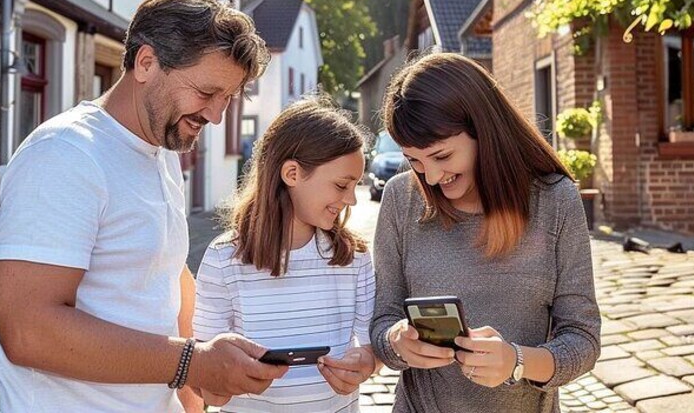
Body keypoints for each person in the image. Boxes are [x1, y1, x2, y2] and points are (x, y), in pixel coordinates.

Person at [0, 0, 288, 412]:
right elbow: (27, 329)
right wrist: (193, 363)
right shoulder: (64, 154)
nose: (216, 115)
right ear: (146, 62)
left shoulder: (160, 151)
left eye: (227, 98)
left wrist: (195, 394)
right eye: (206, 93)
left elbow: (166, 276)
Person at [370, 53, 601, 412]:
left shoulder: (555, 200)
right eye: (415, 161)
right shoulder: (401, 199)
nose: (430, 177)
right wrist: (397, 341)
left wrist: (516, 361)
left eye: (442, 156)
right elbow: (382, 322)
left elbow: (582, 339)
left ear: (484, 131)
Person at [194, 96, 379, 412]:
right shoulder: (223, 259)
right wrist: (215, 385)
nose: (352, 200)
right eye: (341, 185)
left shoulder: (354, 257)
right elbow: (206, 378)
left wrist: (366, 363)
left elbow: (372, 350)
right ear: (292, 174)